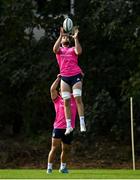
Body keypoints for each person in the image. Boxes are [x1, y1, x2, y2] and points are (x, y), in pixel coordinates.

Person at [53, 27, 86, 135]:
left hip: (75, 75)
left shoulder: (72, 49)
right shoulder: (60, 50)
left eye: (67, 37)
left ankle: (82, 123)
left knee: (77, 98)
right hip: (64, 78)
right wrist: (60, 35)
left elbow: (79, 51)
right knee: (66, 101)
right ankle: (68, 126)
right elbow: (54, 49)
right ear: (61, 39)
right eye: (64, 37)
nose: (65, 38)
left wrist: (76, 38)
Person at [47, 75, 77, 174]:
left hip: (69, 128)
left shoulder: (73, 99)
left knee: (66, 149)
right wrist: (59, 78)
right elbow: (52, 89)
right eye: (62, 91)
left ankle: (63, 167)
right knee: (54, 148)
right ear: (60, 92)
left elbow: (78, 88)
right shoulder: (57, 100)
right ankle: (49, 168)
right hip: (58, 127)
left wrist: (78, 77)